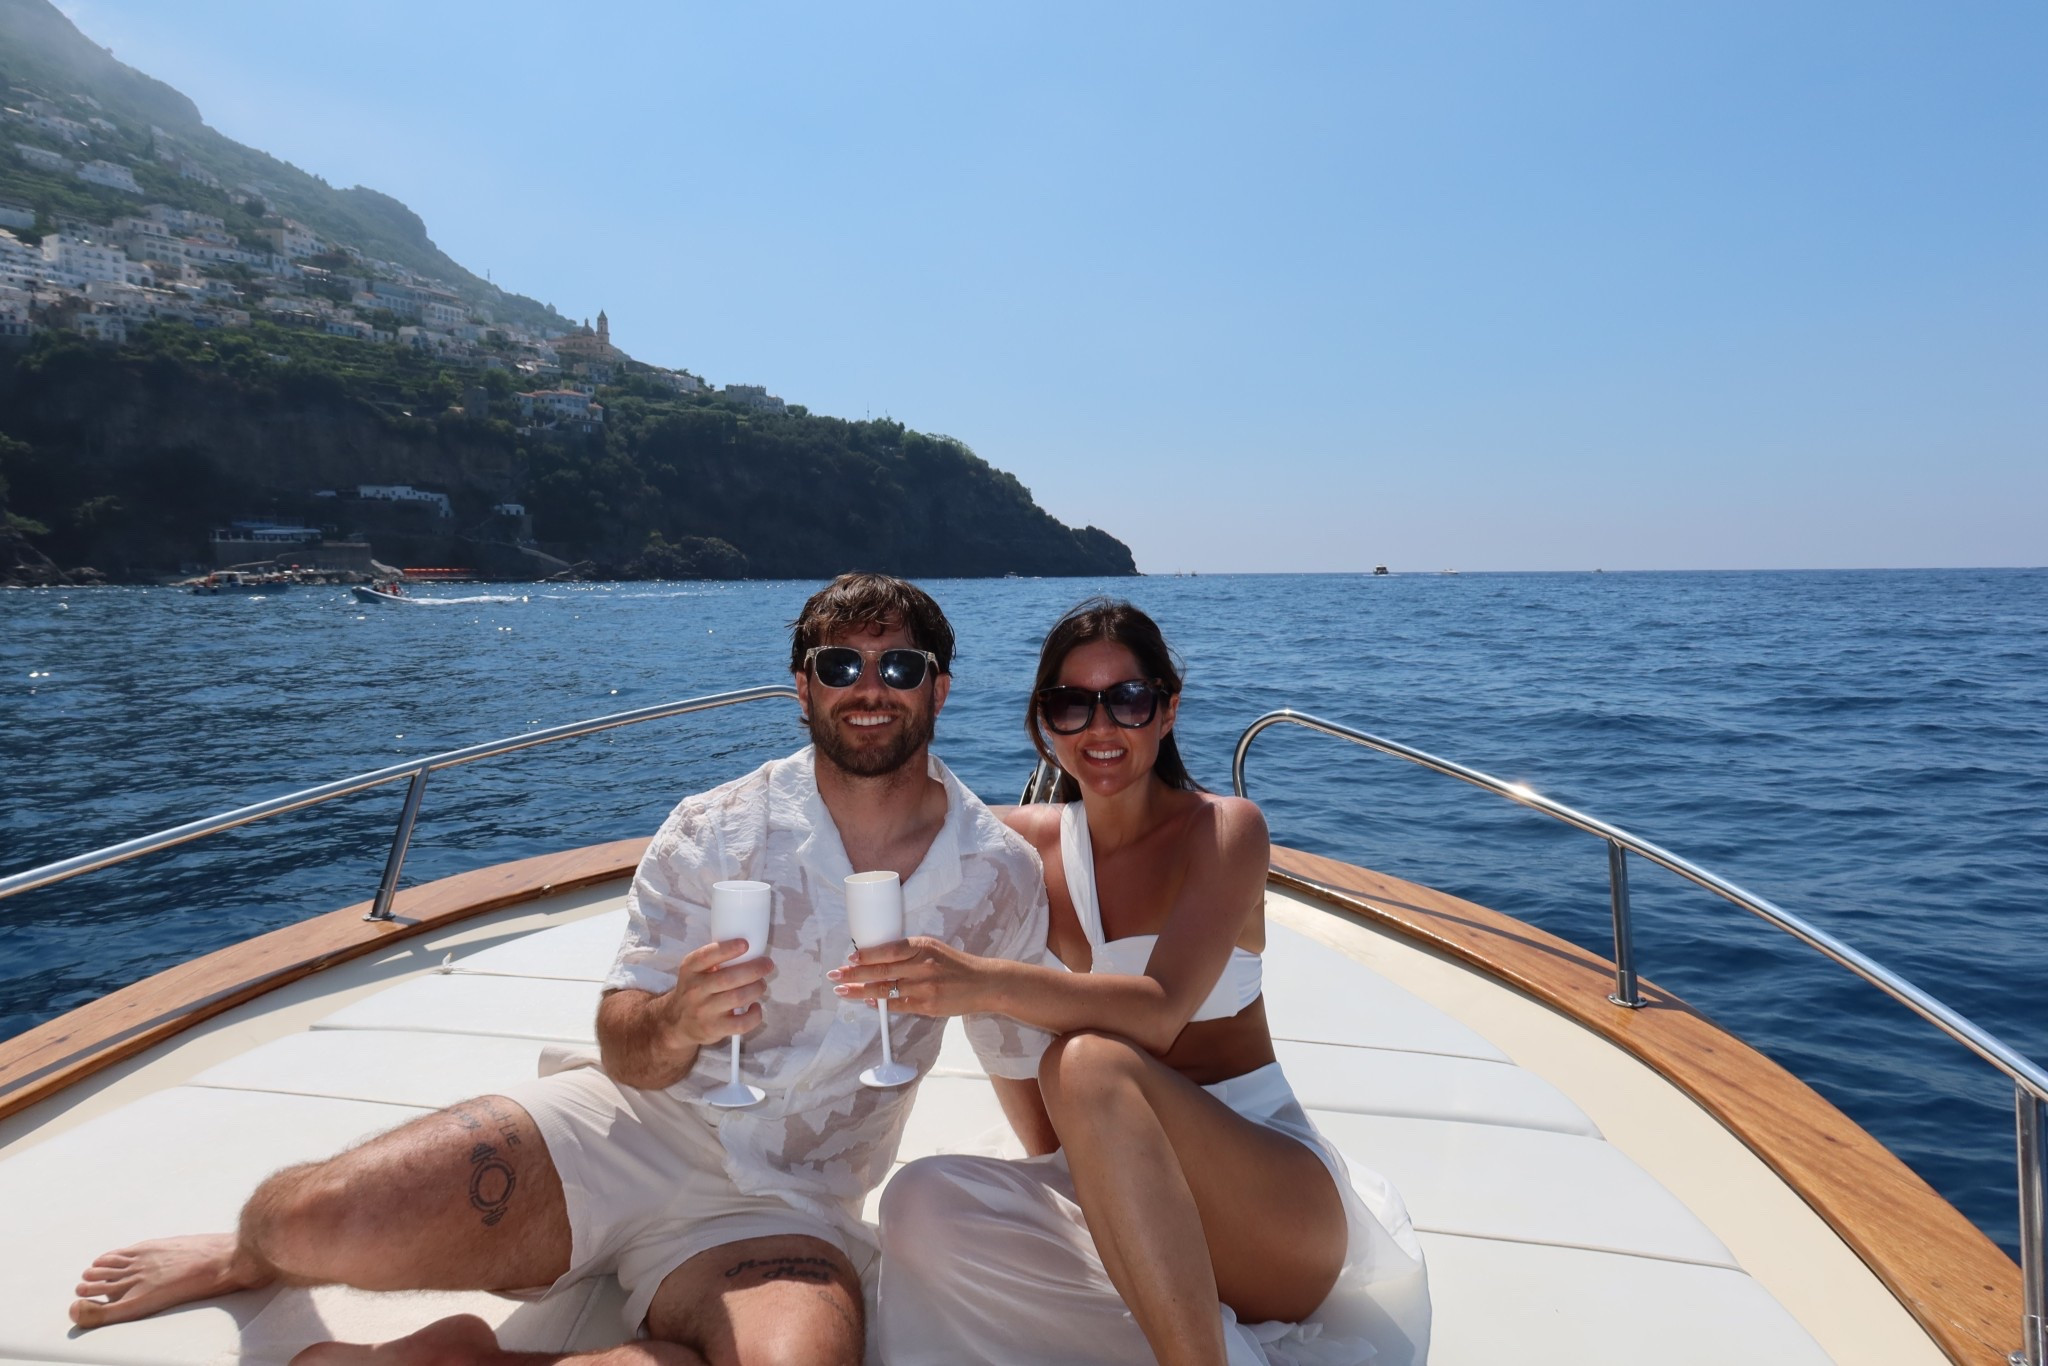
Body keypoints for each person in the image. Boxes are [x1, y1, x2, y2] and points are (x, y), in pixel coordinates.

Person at [66, 573, 1054, 1366]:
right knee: (307, 1217)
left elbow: (1015, 1054)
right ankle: (246, 1253)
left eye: (899, 664)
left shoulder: (996, 871)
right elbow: (621, 1043)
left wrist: (1062, 1189)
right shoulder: (715, 829)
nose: (868, 686)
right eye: (840, 663)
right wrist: (675, 1020)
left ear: (939, 686)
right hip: (625, 1127)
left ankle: (460, 1356)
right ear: (801, 687)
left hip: (788, 1205)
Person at [838, 598, 1429, 1366]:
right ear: (1045, 722)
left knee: (1084, 1061)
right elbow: (889, 813)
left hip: (1273, 1208)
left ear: (1168, 709)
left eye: (1128, 699)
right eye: (1071, 705)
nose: (1101, 728)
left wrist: (980, 983)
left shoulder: (1224, 832)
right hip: (1111, 1181)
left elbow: (1156, 1015)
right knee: (919, 1204)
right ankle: (1172, 1325)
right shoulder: (1019, 846)